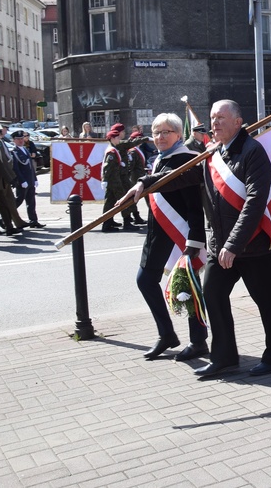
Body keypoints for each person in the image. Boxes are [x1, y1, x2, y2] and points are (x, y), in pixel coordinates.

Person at [195, 99, 271, 380]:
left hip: (254, 245)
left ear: (238, 121)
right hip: (220, 244)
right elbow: (183, 178)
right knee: (212, 292)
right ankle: (223, 357)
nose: (215, 123)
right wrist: (145, 184)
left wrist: (234, 244)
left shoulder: (253, 151)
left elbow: (256, 200)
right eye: (212, 118)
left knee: (267, 302)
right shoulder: (212, 153)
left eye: (221, 117)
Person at [120, 113, 209, 361]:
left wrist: (194, 242)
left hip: (181, 234)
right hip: (158, 232)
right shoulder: (161, 159)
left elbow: (194, 206)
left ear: (179, 135)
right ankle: (167, 334)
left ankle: (199, 341)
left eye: (166, 132)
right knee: (145, 280)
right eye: (156, 132)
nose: (160, 137)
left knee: (188, 286)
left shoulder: (186, 160)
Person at [100, 123, 149, 232]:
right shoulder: (114, 149)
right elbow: (107, 167)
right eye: (117, 136)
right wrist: (105, 180)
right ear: (112, 138)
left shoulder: (114, 146)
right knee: (123, 199)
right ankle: (126, 221)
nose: (121, 136)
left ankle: (108, 222)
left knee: (111, 200)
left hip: (118, 176)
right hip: (116, 179)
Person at [0, 126, 26, 237]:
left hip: (2, 180)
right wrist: (10, 178)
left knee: (5, 205)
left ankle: (9, 227)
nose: (3, 135)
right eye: (2, 133)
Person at [10, 130, 44, 228]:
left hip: (30, 179)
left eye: (21, 138)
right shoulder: (14, 152)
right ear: (14, 140)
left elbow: (30, 166)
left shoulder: (25, 149)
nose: (20, 141)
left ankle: (33, 220)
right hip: (23, 181)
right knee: (18, 201)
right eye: (18, 139)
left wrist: (35, 178)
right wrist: (21, 180)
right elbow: (16, 169)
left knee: (31, 202)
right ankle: (4, 217)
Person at [126, 129, 149, 225]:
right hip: (136, 177)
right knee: (134, 198)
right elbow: (131, 166)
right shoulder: (133, 151)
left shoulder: (137, 150)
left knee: (143, 196)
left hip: (140, 175)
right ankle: (135, 216)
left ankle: (136, 216)